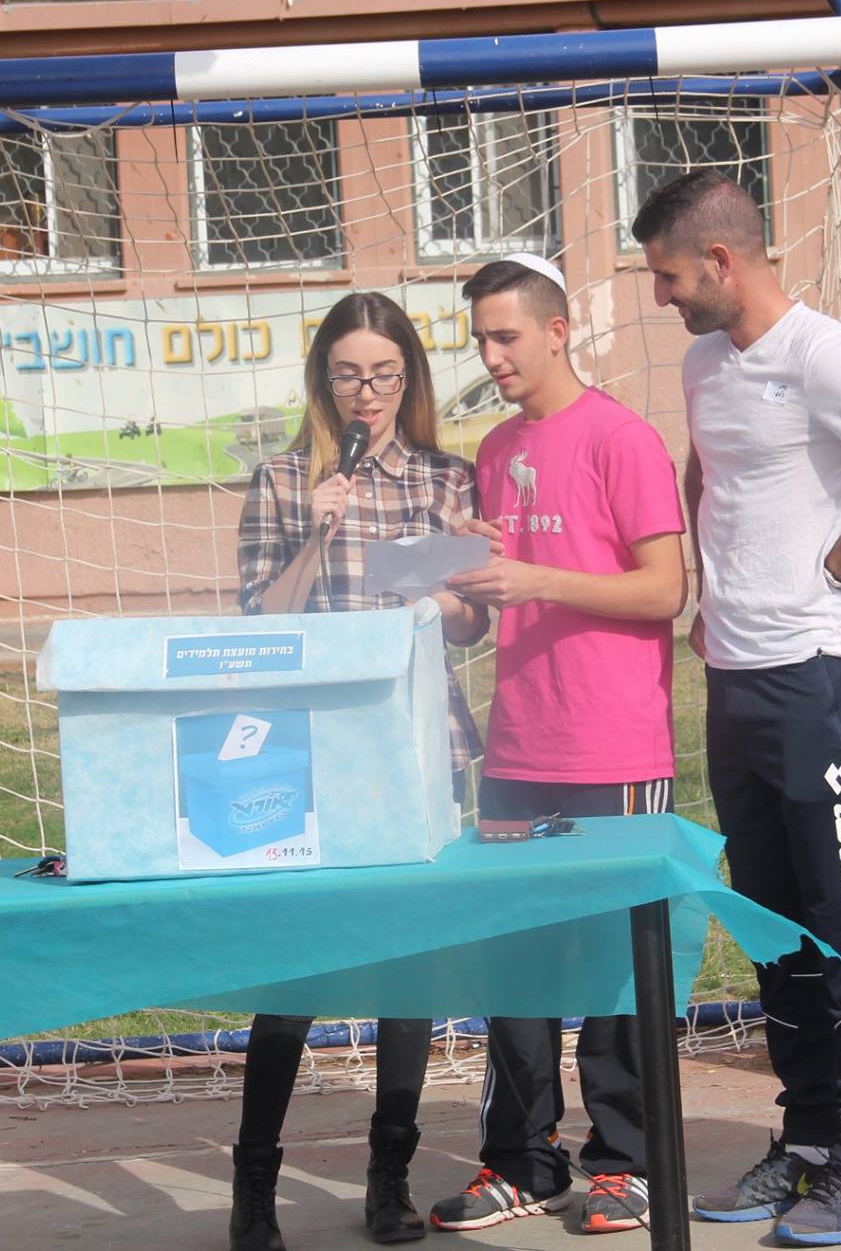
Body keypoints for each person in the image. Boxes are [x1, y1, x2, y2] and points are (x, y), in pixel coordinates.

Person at [632, 168, 841, 1247]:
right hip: (738, 678)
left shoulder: (824, 354)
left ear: (721, 260)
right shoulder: (704, 363)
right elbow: (709, 475)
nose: (661, 295)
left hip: (823, 677)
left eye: (668, 275)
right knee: (773, 924)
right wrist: (711, 596)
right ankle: (808, 1139)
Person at [425, 254, 688, 1236]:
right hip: (516, 749)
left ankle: (627, 1162)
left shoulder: (622, 438)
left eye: (505, 336)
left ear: (556, 330)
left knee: (619, 970)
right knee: (517, 969)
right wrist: (454, 575)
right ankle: (521, 1160)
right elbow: (478, 618)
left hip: (614, 749)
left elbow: (664, 590)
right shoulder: (494, 451)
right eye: (480, 339)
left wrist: (535, 578)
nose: (491, 355)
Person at [229, 290, 490, 1251]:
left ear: (407, 377)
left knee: (405, 968)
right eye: (348, 375)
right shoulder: (283, 478)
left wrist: (442, 593)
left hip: (418, 747)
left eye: (384, 374)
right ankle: (254, 1186)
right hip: (309, 754)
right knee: (295, 966)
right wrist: (317, 531)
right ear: (324, 382)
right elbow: (258, 621)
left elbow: (473, 620)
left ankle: (389, 1178)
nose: (367, 393)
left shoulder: (444, 477)